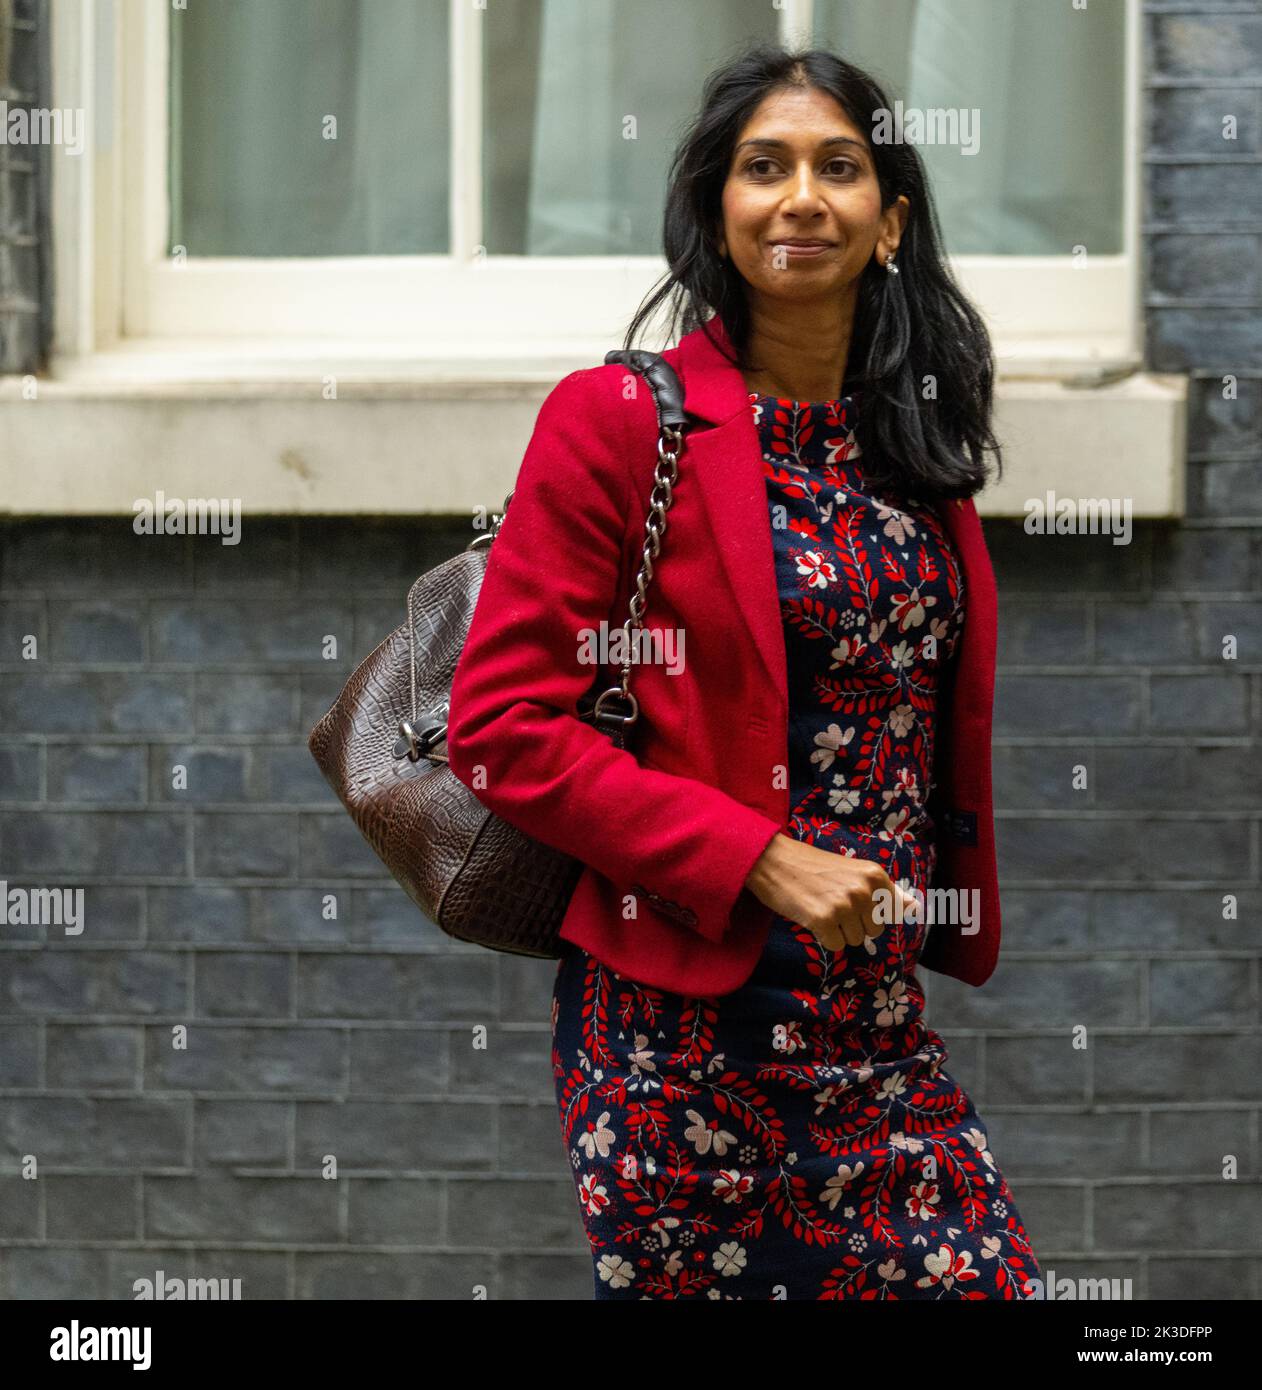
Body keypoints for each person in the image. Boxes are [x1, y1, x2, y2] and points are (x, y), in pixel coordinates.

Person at [447, 43, 1041, 1300]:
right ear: (716, 210)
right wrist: (756, 856)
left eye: (840, 167)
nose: (800, 198)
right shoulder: (617, 419)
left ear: (890, 217)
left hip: (873, 1032)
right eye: (761, 168)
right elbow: (499, 724)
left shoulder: (914, 447)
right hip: (682, 1037)